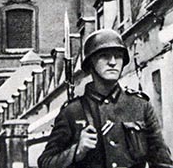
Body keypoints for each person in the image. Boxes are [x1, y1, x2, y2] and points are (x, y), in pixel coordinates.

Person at [38, 29, 173, 168]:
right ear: (90, 63)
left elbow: (163, 162)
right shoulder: (72, 112)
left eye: (118, 56)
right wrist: (76, 151)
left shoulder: (140, 105)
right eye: (104, 56)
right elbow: (45, 162)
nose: (113, 62)